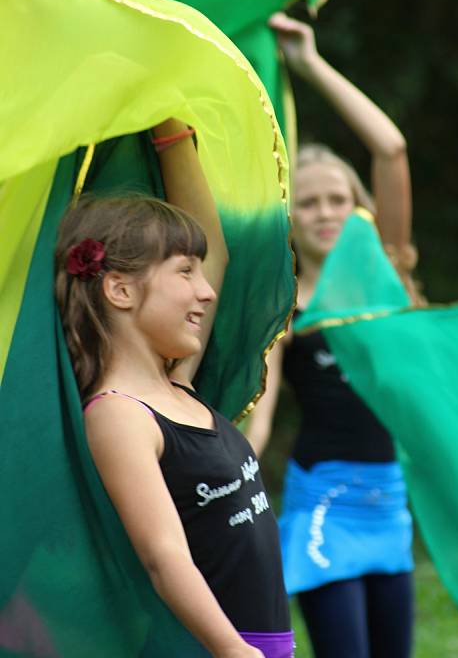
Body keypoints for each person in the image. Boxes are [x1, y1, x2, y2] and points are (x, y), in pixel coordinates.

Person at [54, 118, 294, 658]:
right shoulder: (119, 415)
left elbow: (220, 253)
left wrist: (172, 128)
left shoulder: (177, 384)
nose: (207, 291)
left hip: (263, 644)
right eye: (185, 271)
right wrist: (234, 650)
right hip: (215, 649)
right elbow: (164, 557)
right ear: (119, 289)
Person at [246, 15, 416, 658]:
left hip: (390, 501)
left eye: (337, 199)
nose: (324, 213)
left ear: (359, 205)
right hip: (322, 504)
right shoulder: (284, 302)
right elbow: (262, 413)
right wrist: (240, 465)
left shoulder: (389, 275)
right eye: (308, 203)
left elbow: (392, 149)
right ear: (291, 219)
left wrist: (310, 64)